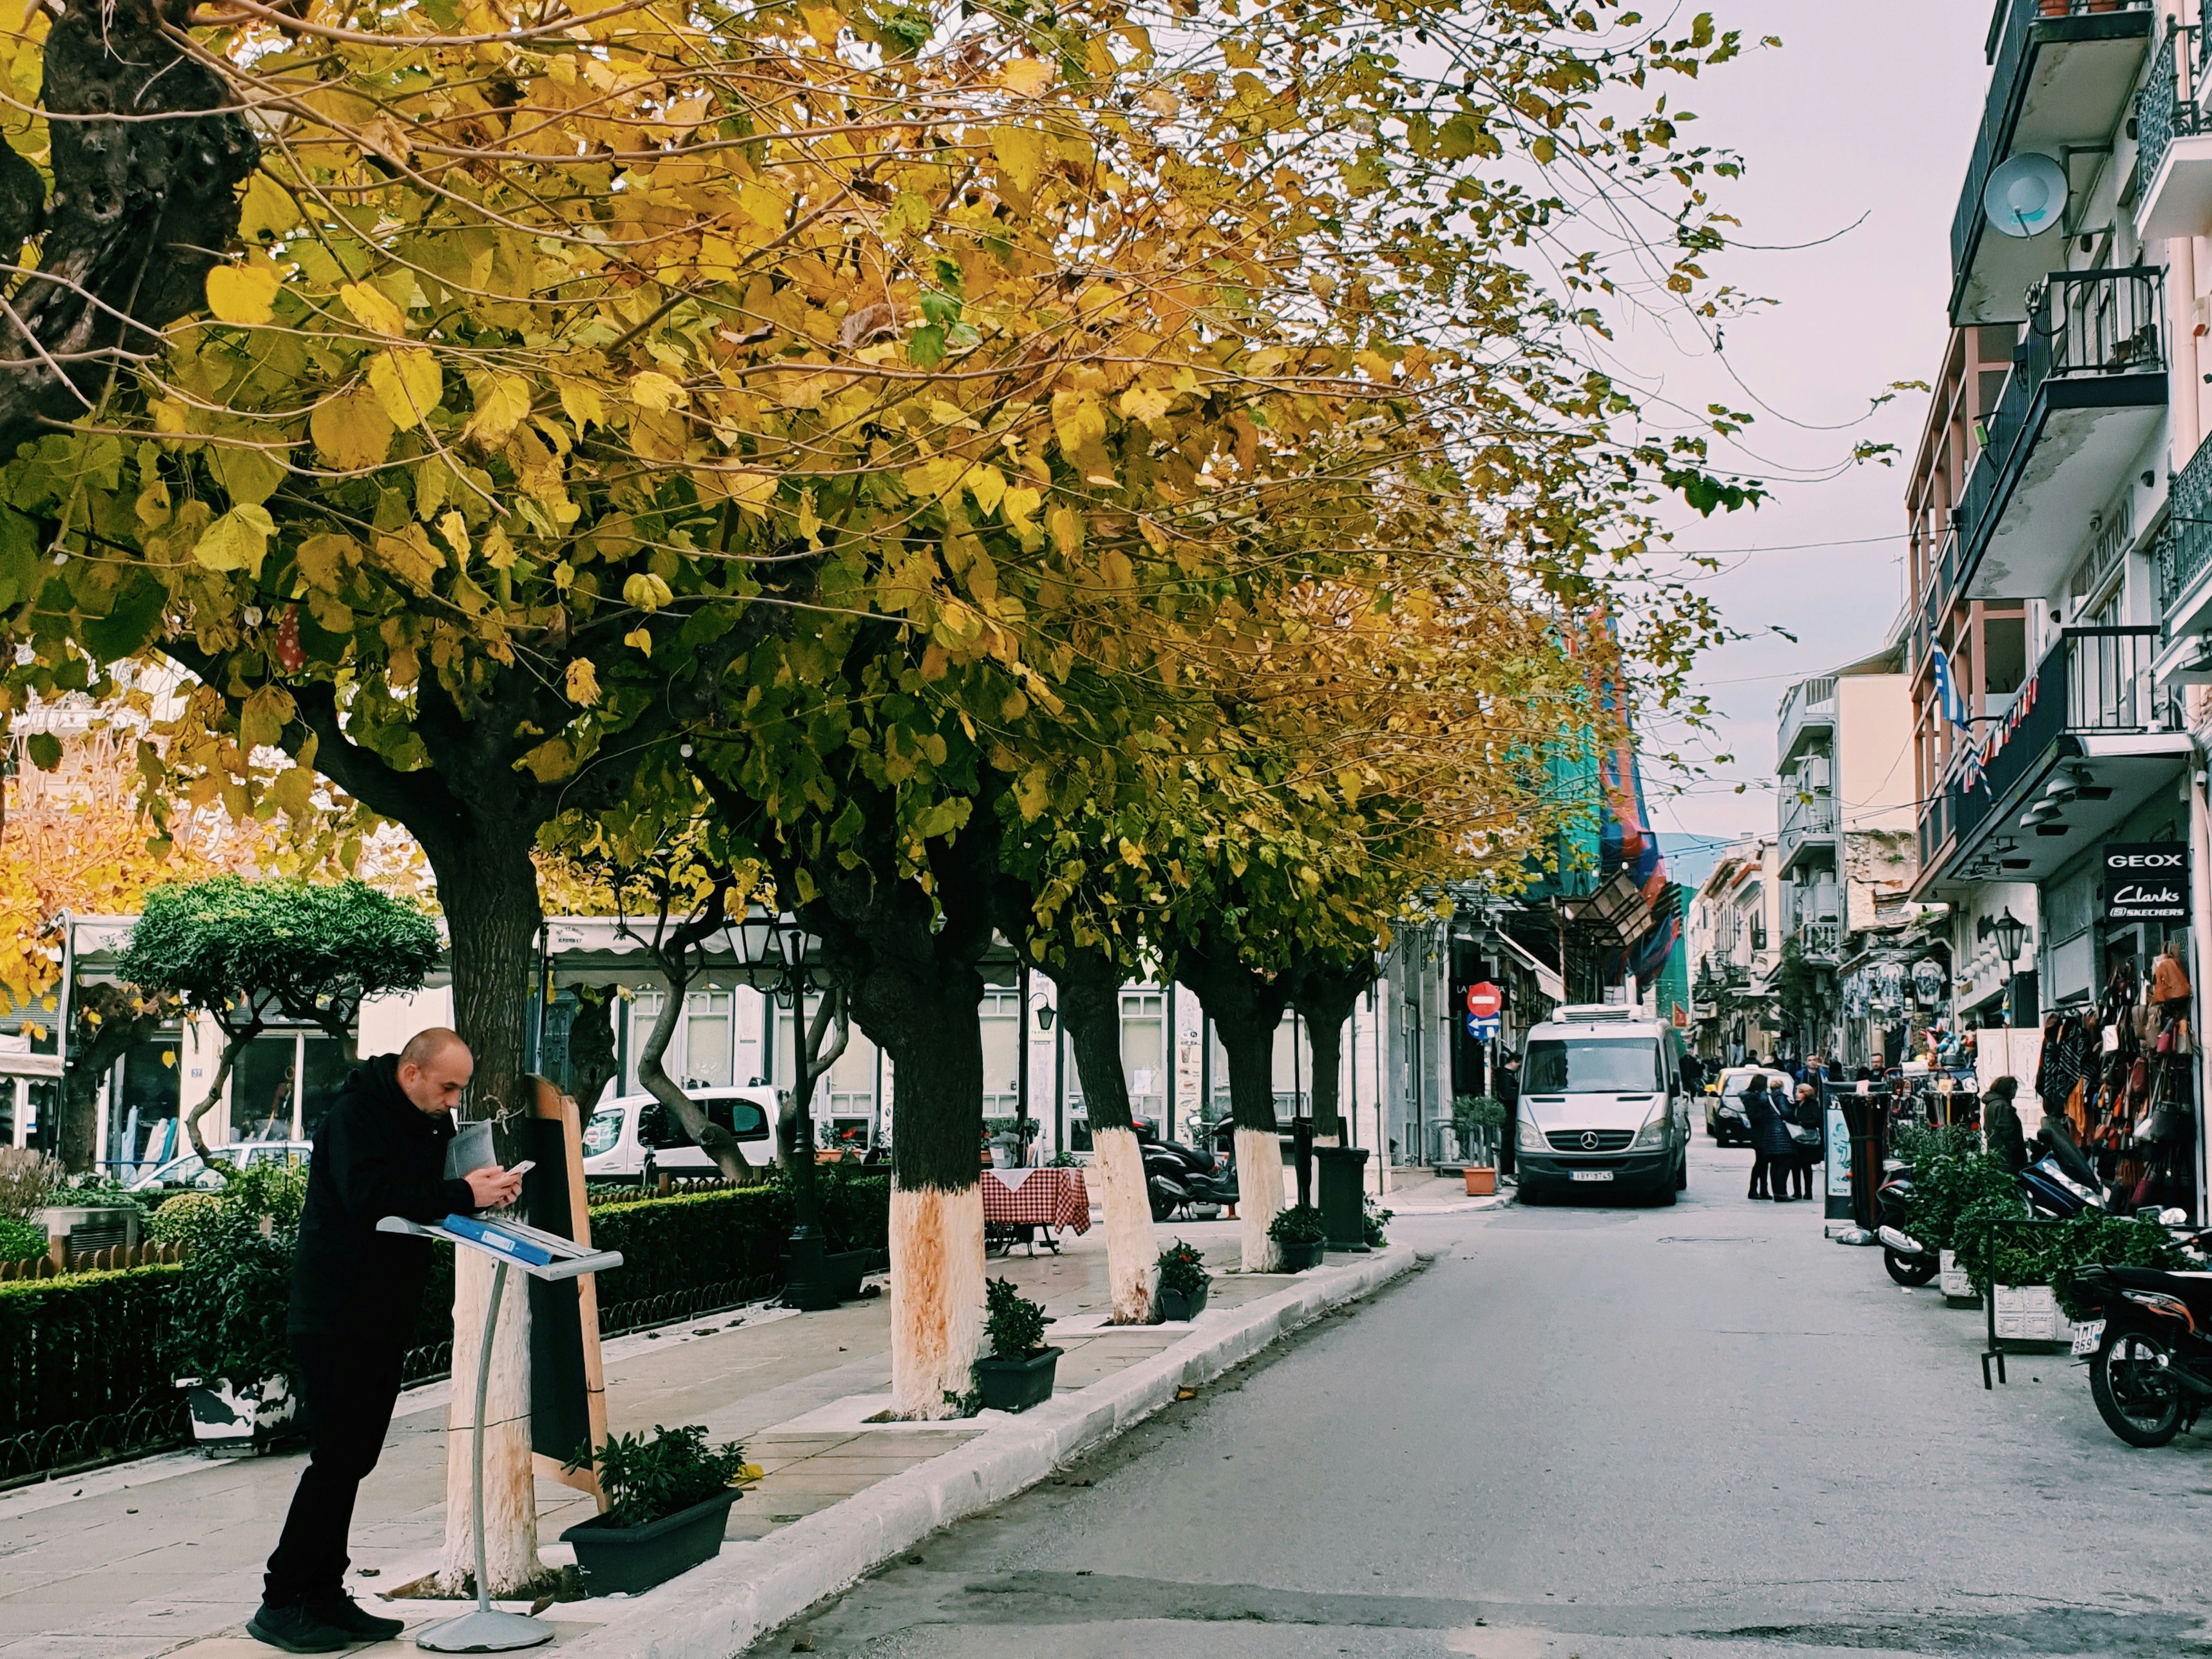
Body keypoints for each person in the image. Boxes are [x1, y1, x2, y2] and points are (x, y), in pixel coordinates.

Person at [250, 1030, 523, 1655]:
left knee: (356, 1459)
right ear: (410, 1072)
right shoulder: (355, 1117)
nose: (453, 1100)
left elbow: (426, 1196)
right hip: (336, 1312)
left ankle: (323, 1592)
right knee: (337, 1458)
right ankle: (281, 1598)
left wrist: (482, 1189)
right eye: (447, 1086)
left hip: (379, 1312)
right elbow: (370, 1198)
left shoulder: (421, 1122)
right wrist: (462, 1193)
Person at [1745, 1073, 1795, 1203]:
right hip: (1760, 1134)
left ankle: (1763, 1190)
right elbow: (1755, 1116)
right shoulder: (1754, 1098)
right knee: (1761, 1163)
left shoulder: (1760, 1098)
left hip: (1763, 1134)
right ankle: (1755, 1190)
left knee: (1765, 1163)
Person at [1983, 1074, 2027, 1175]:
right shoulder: (2002, 1106)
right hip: (2008, 1158)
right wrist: (2020, 1147)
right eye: (2014, 1089)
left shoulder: (1992, 1104)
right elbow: (2009, 1133)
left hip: (1997, 1154)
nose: (2015, 1092)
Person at [1787, 1082, 1820, 1200]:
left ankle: (1808, 1192)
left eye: (1800, 1092)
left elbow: (1817, 1120)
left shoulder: (1812, 1105)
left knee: (1806, 1166)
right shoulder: (1795, 1105)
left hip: (1807, 1140)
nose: (1797, 1094)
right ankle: (1797, 1191)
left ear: (1806, 1094)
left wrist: (1802, 1123)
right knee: (1795, 1166)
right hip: (1796, 1138)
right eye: (1796, 1092)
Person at [1494, 1054, 1521, 1182]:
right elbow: (1507, 1095)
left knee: (1508, 1144)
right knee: (1508, 1144)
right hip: (1508, 1114)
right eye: (1519, 1065)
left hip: (1508, 1114)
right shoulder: (1506, 1076)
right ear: (1513, 1062)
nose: (1519, 1068)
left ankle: (1508, 1172)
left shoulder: (1504, 1075)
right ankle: (1507, 1173)